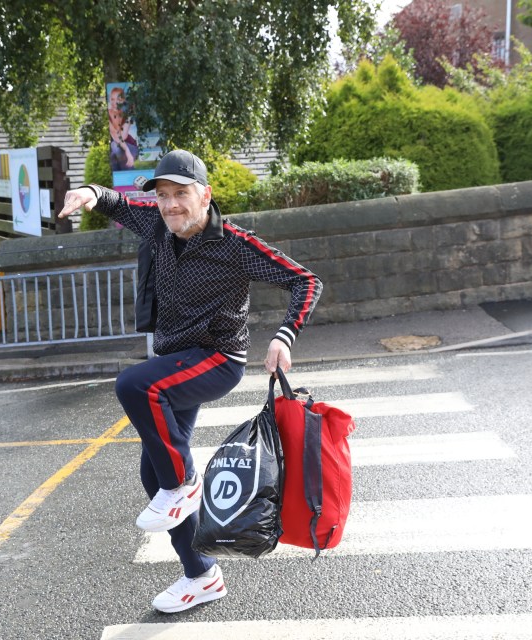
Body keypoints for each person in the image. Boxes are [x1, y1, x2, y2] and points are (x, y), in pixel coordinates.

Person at [57, 150, 322, 614]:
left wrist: (284, 335)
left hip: (218, 359)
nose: (171, 204)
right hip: (176, 359)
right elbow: (116, 204)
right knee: (152, 470)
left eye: (181, 194)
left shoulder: (235, 244)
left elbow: (305, 281)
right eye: (163, 195)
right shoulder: (158, 224)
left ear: (205, 195)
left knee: (134, 386)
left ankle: (183, 484)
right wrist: (90, 193)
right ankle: (201, 575)